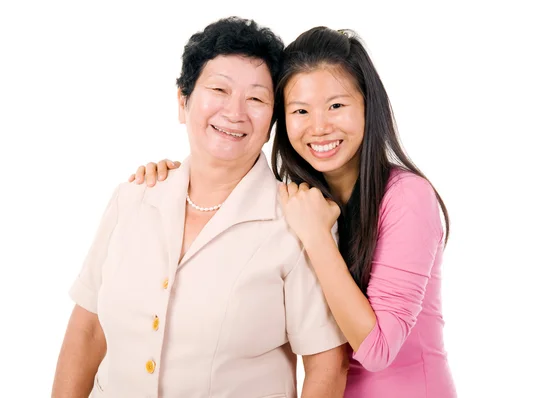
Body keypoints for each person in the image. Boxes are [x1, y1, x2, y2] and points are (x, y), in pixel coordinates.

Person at [135, 27, 456, 397]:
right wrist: (175, 182)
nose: (319, 127)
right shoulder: (299, 198)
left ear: (370, 105)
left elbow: (378, 349)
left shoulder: (407, 198)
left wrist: (317, 237)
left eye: (336, 106)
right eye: (301, 110)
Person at [52, 18, 348, 398]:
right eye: (219, 89)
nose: (235, 112)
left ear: (273, 119)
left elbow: (327, 366)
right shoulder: (133, 198)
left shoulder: (298, 221)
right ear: (183, 100)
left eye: (256, 99)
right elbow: (89, 328)